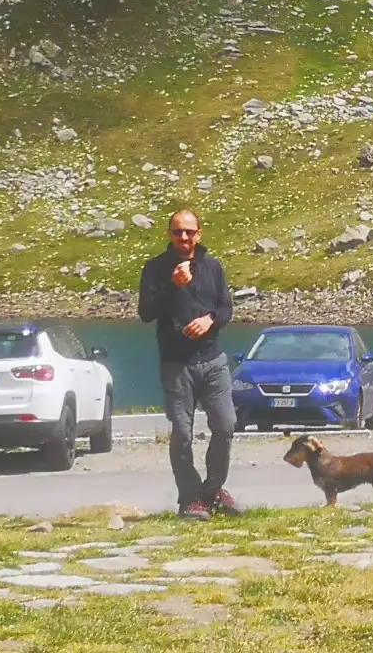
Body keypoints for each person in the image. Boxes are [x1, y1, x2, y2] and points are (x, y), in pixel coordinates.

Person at [138, 209, 239, 520]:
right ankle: (190, 497)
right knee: (182, 433)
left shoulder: (212, 267)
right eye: (178, 232)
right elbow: (146, 313)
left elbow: (226, 309)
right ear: (169, 234)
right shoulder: (155, 269)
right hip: (176, 364)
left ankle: (212, 491)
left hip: (213, 361)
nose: (184, 237)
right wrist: (172, 285)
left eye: (190, 232)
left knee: (225, 426)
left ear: (200, 233)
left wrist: (210, 320)